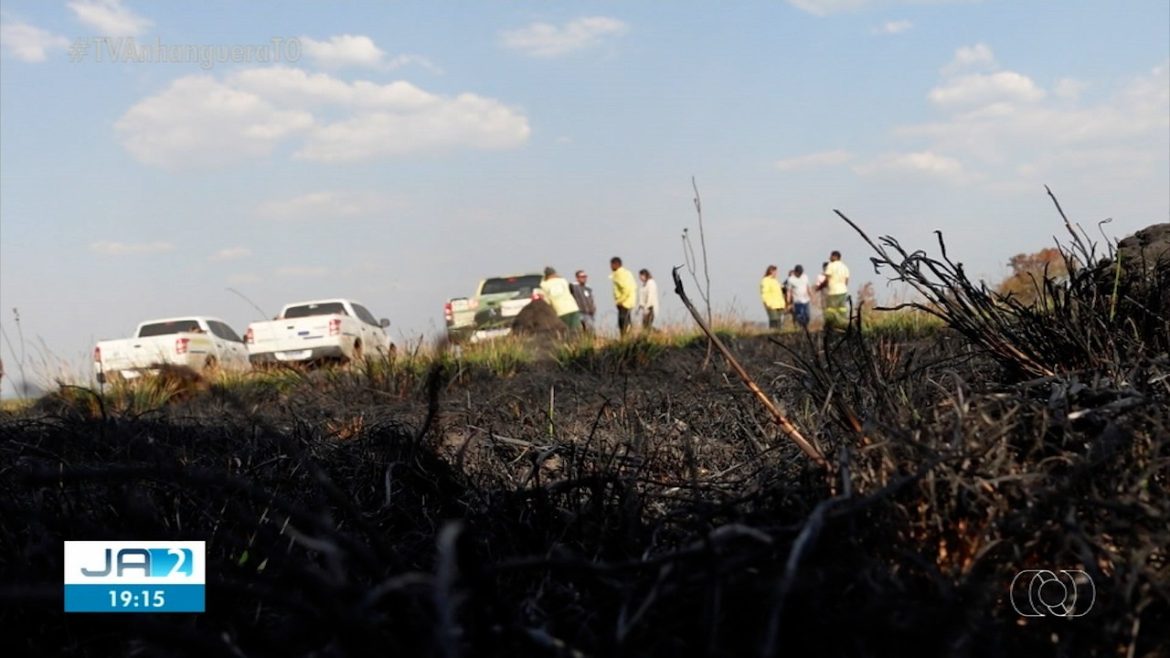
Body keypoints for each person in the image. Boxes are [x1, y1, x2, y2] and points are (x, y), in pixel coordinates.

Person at [539, 267, 582, 333]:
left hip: (560, 312)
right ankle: (577, 342)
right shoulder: (563, 281)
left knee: (566, 332)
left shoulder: (544, 285)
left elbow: (546, 301)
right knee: (576, 331)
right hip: (573, 308)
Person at [823, 250, 851, 330]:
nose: (830, 258)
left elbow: (827, 279)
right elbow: (846, 281)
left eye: (831, 256)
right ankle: (842, 325)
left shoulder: (831, 265)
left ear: (835, 257)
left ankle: (830, 325)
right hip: (843, 291)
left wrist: (820, 287)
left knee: (831, 310)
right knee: (842, 309)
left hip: (833, 291)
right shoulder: (845, 267)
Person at [609, 257, 637, 336]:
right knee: (627, 323)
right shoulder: (628, 273)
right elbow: (634, 286)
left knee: (623, 324)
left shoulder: (619, 274)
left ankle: (625, 340)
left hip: (624, 303)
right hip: (630, 302)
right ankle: (628, 338)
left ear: (615, 264)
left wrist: (620, 301)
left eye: (611, 265)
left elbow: (626, 289)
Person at [569, 269, 597, 334]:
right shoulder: (573, 286)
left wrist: (593, 307)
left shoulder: (588, 288)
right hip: (579, 312)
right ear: (577, 278)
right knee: (578, 330)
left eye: (585, 277)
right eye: (582, 277)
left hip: (588, 313)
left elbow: (591, 299)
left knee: (590, 330)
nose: (584, 278)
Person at [760, 265, 786, 331]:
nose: (776, 273)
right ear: (771, 271)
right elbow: (764, 293)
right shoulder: (765, 280)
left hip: (779, 305)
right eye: (775, 272)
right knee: (773, 321)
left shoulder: (776, 281)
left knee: (779, 322)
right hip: (772, 305)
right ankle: (772, 335)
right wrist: (768, 303)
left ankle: (778, 336)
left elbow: (781, 291)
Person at [787, 264, 812, 330]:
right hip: (797, 301)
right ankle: (802, 328)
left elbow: (808, 287)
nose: (800, 274)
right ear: (795, 272)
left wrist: (811, 295)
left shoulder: (805, 277)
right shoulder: (791, 279)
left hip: (806, 300)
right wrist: (788, 301)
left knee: (807, 316)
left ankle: (805, 325)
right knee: (800, 315)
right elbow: (789, 291)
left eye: (801, 272)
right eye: (799, 272)